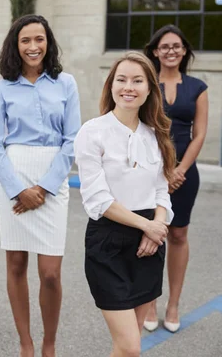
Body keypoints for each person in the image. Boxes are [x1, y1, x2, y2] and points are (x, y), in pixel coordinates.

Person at [0, 15, 80, 357]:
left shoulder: (65, 83)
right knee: (15, 265)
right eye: (25, 40)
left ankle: (49, 343)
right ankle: (25, 343)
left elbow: (72, 140)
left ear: (48, 42)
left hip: (52, 179)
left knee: (51, 273)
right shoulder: (2, 88)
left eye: (39, 39)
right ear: (16, 45)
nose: (33, 47)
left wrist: (45, 187)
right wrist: (16, 188)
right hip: (14, 175)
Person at [74, 51, 175, 356]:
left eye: (137, 80)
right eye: (121, 79)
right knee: (130, 346)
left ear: (148, 89)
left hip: (149, 246)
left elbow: (161, 191)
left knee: (128, 346)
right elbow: (98, 200)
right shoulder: (92, 132)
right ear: (111, 85)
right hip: (109, 243)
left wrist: (156, 226)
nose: (128, 87)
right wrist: (150, 227)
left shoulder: (155, 134)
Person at [142, 25, 209, 333]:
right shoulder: (145, 83)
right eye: (165, 46)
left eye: (177, 46)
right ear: (155, 51)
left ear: (184, 52)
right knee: (150, 233)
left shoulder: (198, 86)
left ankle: (173, 304)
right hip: (148, 170)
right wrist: (160, 171)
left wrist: (179, 170)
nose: (171, 51)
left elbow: (200, 134)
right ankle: (149, 304)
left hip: (184, 174)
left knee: (178, 235)